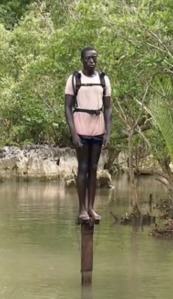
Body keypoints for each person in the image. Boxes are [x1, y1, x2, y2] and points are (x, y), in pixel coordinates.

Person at [64, 46, 112, 221]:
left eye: (94, 58)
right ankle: (81, 209)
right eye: (88, 58)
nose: (91, 61)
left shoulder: (103, 79)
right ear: (82, 60)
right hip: (81, 129)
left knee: (93, 169)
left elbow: (107, 108)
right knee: (83, 168)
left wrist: (107, 132)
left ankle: (91, 207)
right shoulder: (74, 79)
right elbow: (67, 107)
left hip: (98, 130)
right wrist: (73, 133)